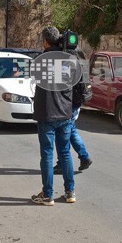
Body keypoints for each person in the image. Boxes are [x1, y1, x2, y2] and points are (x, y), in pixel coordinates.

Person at [31, 27, 76, 205]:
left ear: (45, 41)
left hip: (47, 114)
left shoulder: (40, 60)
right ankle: (70, 192)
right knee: (65, 153)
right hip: (65, 112)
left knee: (48, 155)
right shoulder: (69, 59)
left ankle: (48, 194)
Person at [54, 49, 93, 174]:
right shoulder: (80, 61)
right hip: (77, 102)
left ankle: (64, 163)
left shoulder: (68, 64)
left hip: (68, 104)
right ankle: (83, 157)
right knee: (71, 131)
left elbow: (61, 84)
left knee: (64, 133)